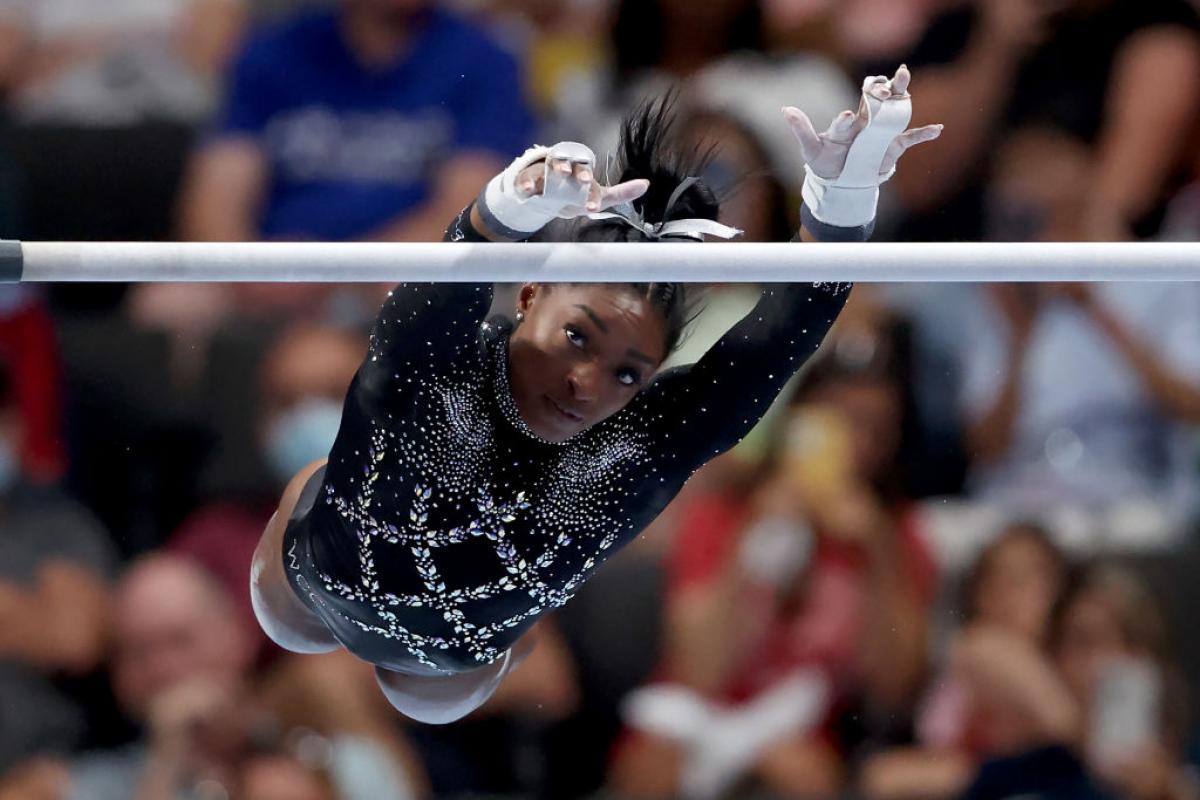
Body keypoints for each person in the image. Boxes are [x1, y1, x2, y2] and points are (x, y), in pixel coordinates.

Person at [250, 68, 943, 724]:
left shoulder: (638, 448)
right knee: (293, 600)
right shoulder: (442, 374)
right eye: (578, 338)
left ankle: (510, 638)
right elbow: (432, 296)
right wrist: (506, 209)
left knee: (436, 689)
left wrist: (840, 202)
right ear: (527, 294)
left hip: (450, 664)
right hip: (315, 582)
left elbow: (775, 341)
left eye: (627, 373)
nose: (587, 384)